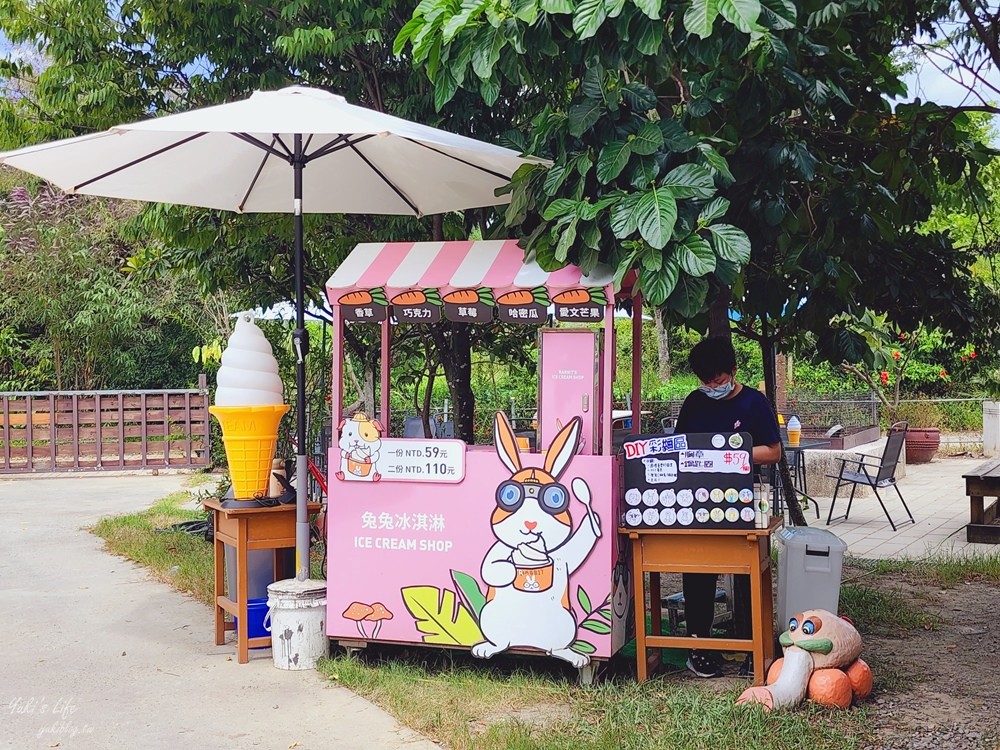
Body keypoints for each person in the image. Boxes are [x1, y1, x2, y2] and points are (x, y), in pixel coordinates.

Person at [673, 336, 781, 678]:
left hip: (743, 502)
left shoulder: (754, 403)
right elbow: (679, 447)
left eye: (717, 381)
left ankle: (752, 645)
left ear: (733, 371)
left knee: (747, 572)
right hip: (699, 501)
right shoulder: (695, 402)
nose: (711, 387)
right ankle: (699, 646)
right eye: (705, 382)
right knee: (697, 572)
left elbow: (773, 451)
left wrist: (733, 456)